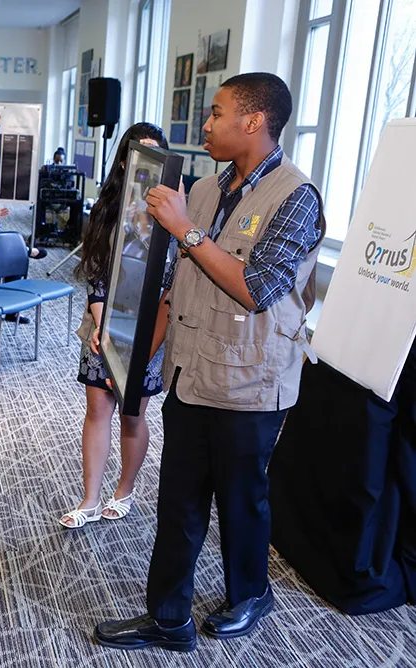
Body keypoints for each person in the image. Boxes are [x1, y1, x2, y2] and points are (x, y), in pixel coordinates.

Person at [95, 73, 324, 651]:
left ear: (252, 121)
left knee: (241, 502)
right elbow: (173, 285)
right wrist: (131, 357)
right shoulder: (203, 190)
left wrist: (188, 230)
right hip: (190, 375)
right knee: (178, 502)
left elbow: (258, 288)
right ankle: (168, 616)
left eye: (216, 112)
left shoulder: (296, 197)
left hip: (251, 386)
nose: (205, 124)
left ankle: (249, 594)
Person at [58, 123, 169, 530]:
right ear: (125, 159)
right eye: (140, 154)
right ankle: (89, 498)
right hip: (104, 319)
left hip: (150, 328)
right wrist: (103, 328)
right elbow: (96, 275)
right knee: (97, 408)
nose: (147, 165)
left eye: (156, 155)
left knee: (133, 414)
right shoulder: (108, 210)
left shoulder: (173, 214)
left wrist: (149, 339)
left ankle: (124, 490)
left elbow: (171, 281)